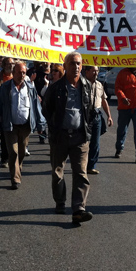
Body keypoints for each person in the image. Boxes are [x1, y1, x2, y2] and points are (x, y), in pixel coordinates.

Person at [42, 52, 95, 224]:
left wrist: (88, 129)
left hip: (80, 137)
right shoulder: (56, 88)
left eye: (79, 64)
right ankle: (60, 201)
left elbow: (92, 111)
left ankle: (79, 209)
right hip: (60, 136)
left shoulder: (87, 86)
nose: (77, 67)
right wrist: (54, 126)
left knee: (80, 173)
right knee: (58, 172)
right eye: (72, 63)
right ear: (65, 66)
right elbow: (46, 108)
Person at [0, 61, 46, 189]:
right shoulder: (4, 88)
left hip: (25, 126)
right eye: (19, 72)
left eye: (23, 72)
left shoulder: (30, 88)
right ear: (13, 73)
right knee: (13, 152)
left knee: (21, 152)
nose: (21, 75)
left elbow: (36, 107)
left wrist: (41, 125)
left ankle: (17, 169)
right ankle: (15, 178)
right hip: (9, 126)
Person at [83, 65, 113, 174]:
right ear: (86, 71)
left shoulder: (99, 85)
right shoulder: (81, 84)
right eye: (93, 71)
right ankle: (81, 164)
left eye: (97, 71)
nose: (96, 73)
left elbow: (104, 101)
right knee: (83, 142)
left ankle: (91, 166)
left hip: (96, 115)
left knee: (95, 143)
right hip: (85, 116)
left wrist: (109, 116)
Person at [0, 57, 16, 168]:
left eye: (13, 63)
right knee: (4, 136)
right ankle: (5, 158)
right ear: (4, 65)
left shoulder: (18, 76)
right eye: (9, 64)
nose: (11, 66)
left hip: (16, 110)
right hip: (3, 111)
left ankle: (15, 157)